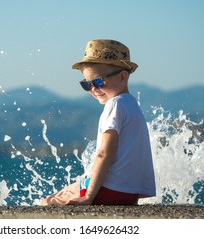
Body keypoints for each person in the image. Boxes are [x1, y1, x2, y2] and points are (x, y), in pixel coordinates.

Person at [41, 39, 156, 205]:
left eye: (98, 82)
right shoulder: (132, 105)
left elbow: (104, 153)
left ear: (123, 77)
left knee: (48, 202)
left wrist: (88, 197)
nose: (93, 89)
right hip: (129, 194)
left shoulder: (115, 104)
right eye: (86, 85)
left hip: (108, 190)